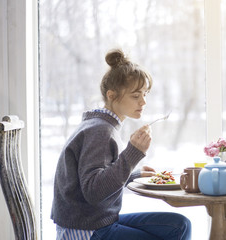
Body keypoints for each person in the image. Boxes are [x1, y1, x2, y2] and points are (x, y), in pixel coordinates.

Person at [51, 48, 191, 240]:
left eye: (145, 94)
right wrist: (132, 153)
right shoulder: (100, 130)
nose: (143, 101)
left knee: (179, 226)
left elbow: (97, 177)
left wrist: (132, 175)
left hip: (98, 221)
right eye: (135, 96)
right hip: (86, 230)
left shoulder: (101, 125)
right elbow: (94, 191)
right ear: (112, 95)